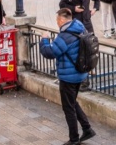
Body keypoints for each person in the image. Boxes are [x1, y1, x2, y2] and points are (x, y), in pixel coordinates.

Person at [39, 8, 96, 145]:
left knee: (68, 107)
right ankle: (87, 129)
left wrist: (44, 40)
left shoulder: (65, 36)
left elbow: (49, 52)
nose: (57, 23)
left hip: (68, 77)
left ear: (62, 20)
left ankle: (74, 139)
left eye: (57, 20)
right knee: (72, 102)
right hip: (80, 73)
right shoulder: (81, 28)